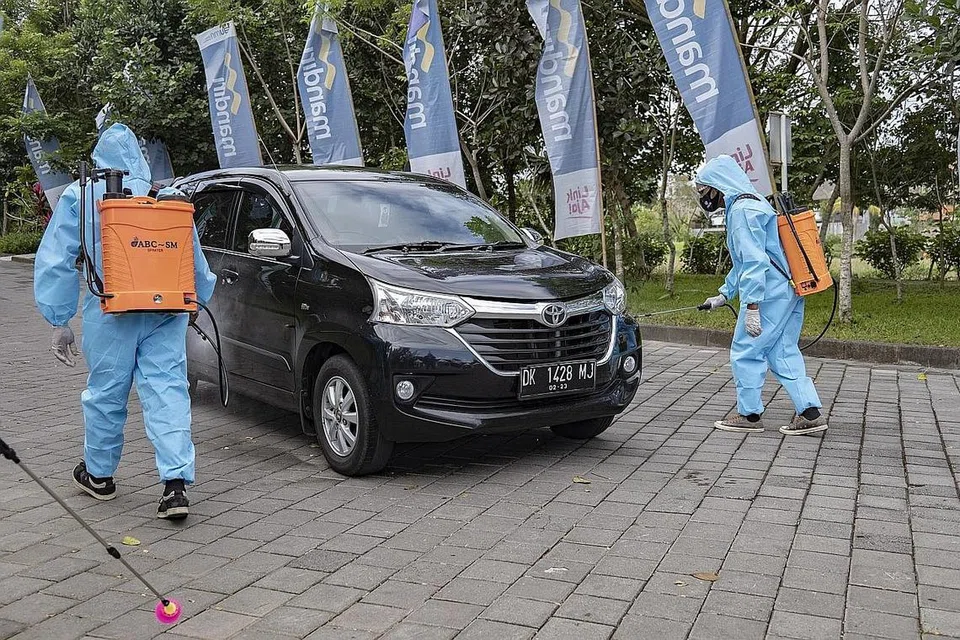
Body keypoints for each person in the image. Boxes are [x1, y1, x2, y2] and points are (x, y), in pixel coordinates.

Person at [34, 123, 216, 519]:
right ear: (139, 157)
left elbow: (56, 259)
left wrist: (59, 320)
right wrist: (197, 299)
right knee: (167, 390)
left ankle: (99, 475)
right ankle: (175, 486)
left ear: (99, 158)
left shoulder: (80, 194)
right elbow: (191, 254)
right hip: (165, 310)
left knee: (106, 394)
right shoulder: (163, 195)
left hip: (111, 309)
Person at [695, 155, 827, 436]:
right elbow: (748, 261)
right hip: (788, 289)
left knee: (745, 351)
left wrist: (752, 306)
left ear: (718, 185)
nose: (704, 196)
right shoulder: (757, 203)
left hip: (767, 294)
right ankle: (809, 413)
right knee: (782, 350)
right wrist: (724, 294)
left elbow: (755, 263)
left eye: (705, 189)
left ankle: (749, 415)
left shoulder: (742, 212)